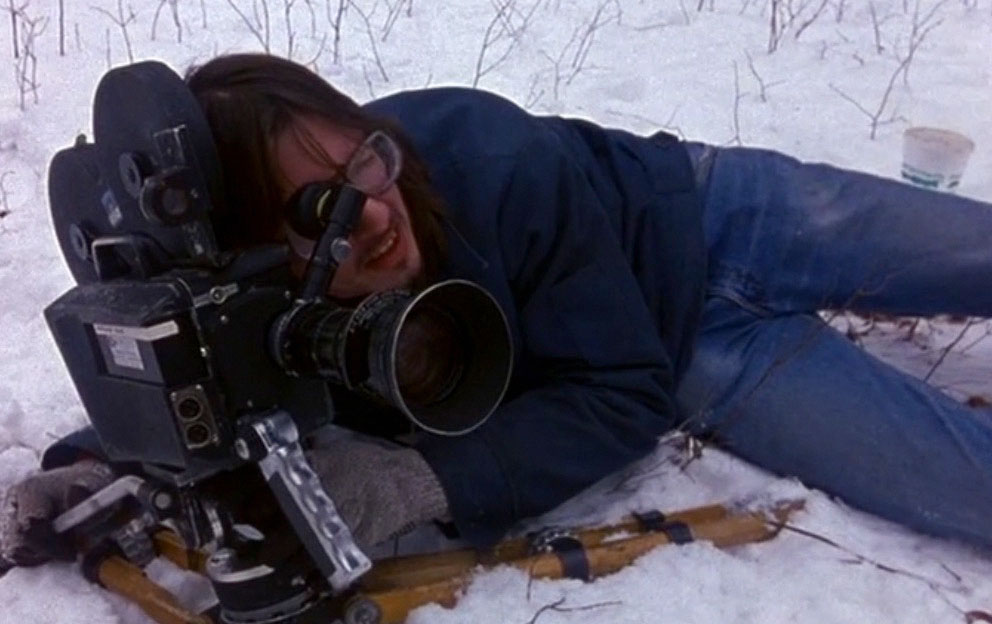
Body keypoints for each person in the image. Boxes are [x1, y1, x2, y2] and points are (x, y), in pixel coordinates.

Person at [3, 52, 992, 570]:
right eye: (318, 214)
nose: (377, 215)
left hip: (708, 211)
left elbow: (617, 390)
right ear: (254, 262)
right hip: (694, 349)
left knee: (967, 250)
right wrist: (103, 465)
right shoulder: (277, 315)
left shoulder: (488, 150)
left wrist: (422, 479)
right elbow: (214, 379)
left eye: (367, 163)